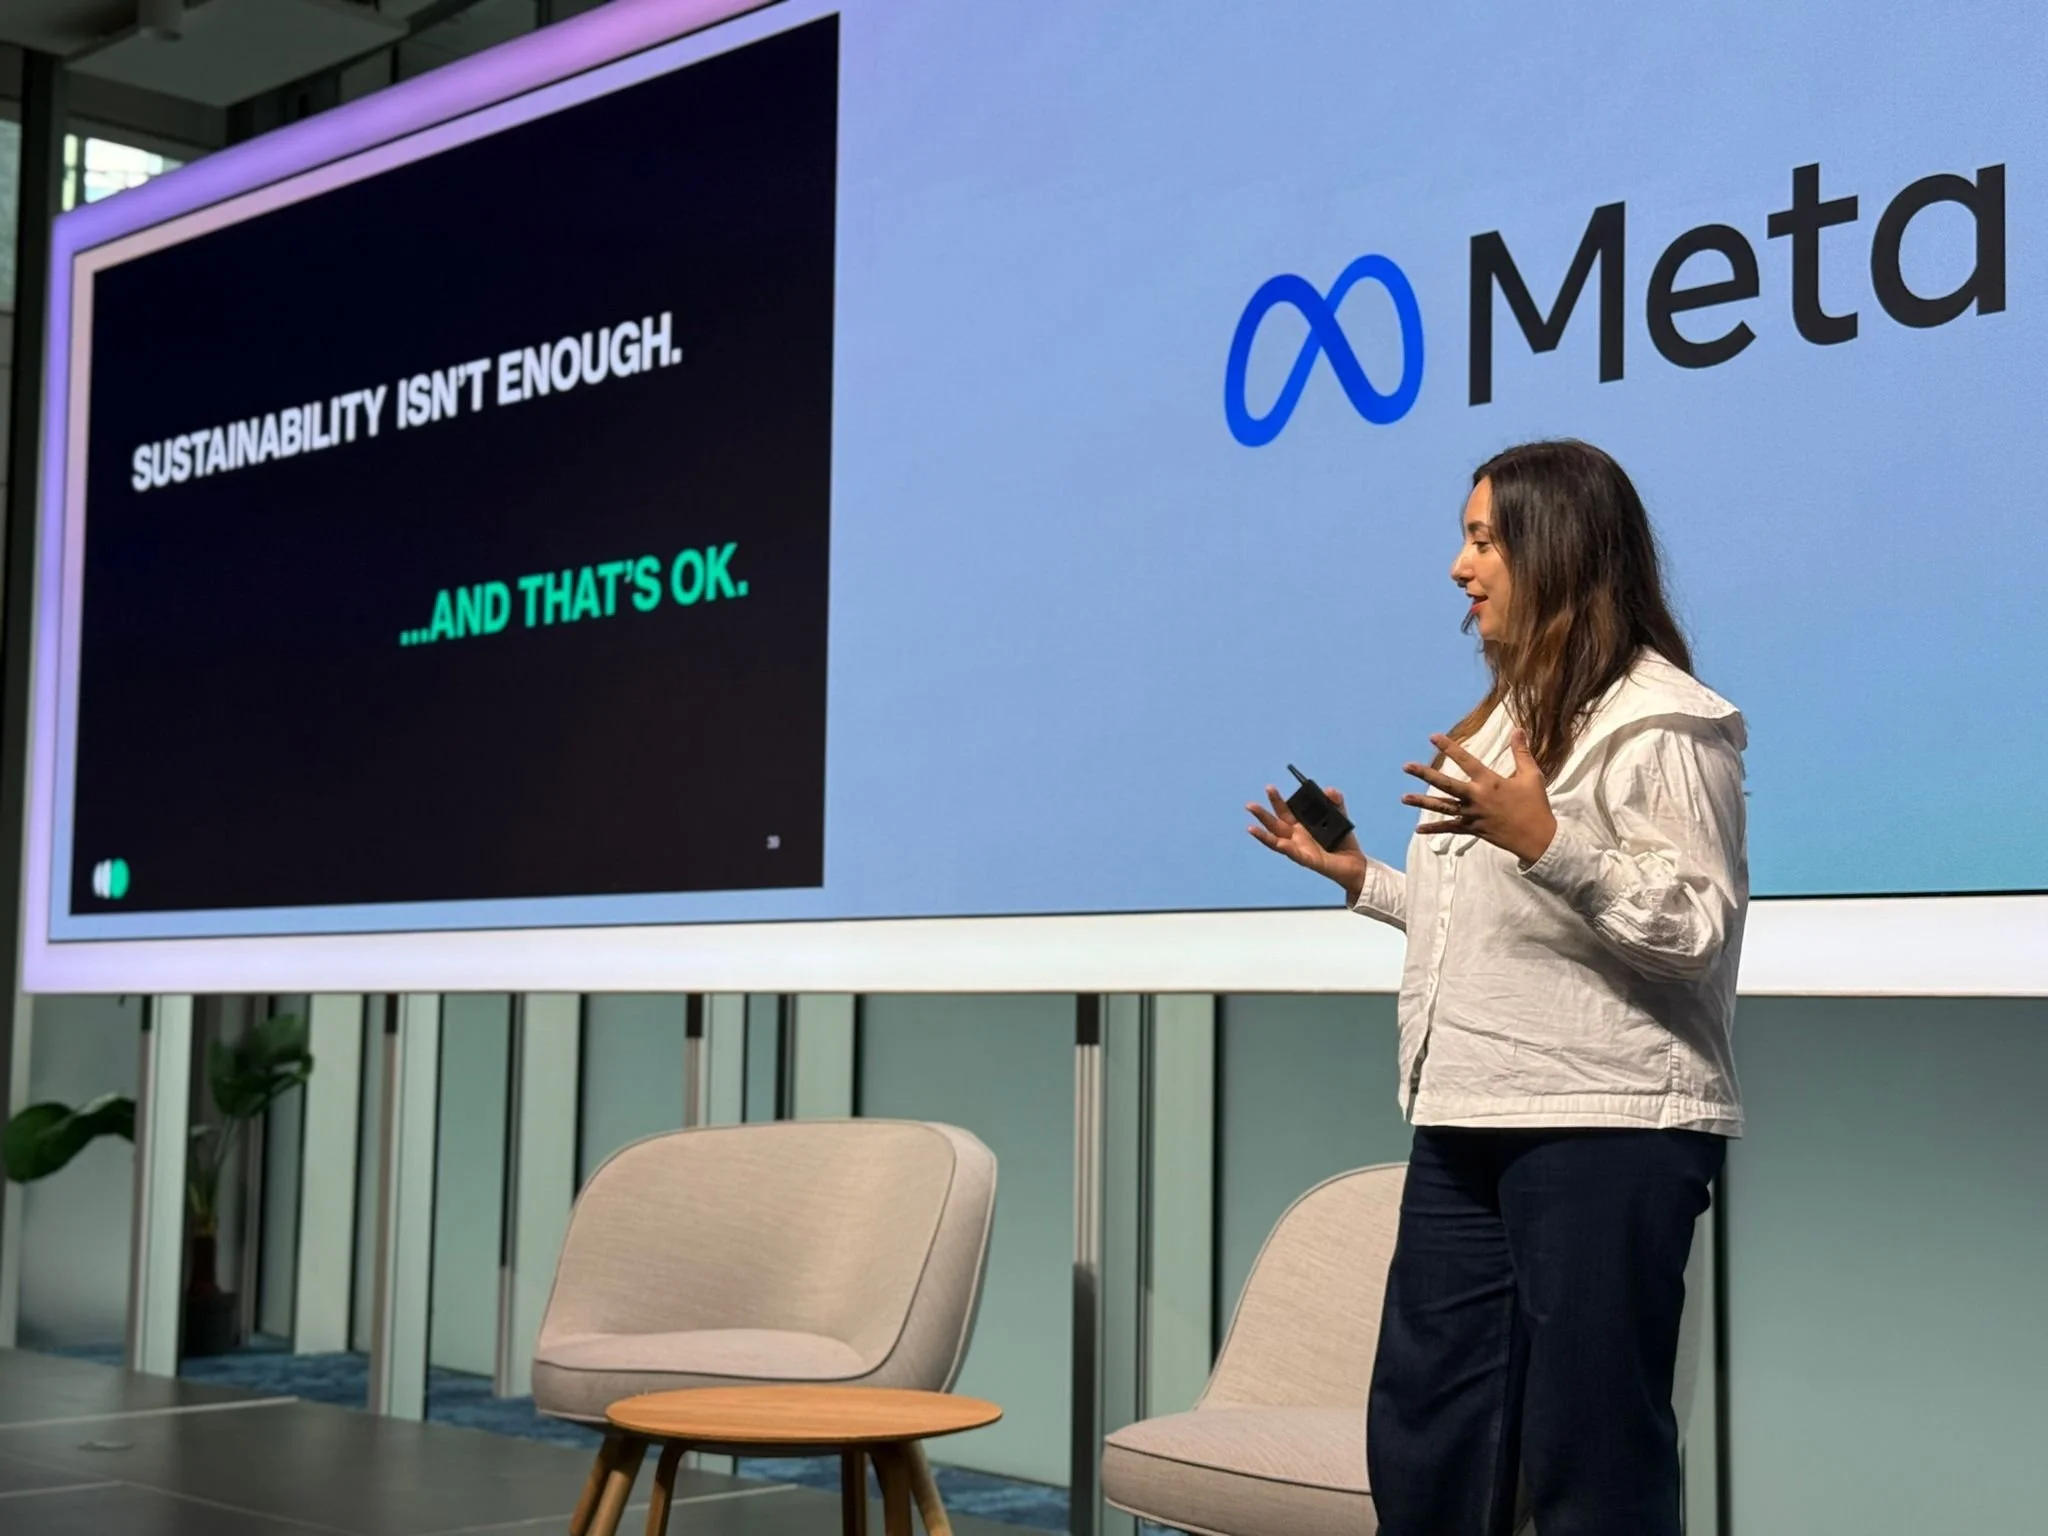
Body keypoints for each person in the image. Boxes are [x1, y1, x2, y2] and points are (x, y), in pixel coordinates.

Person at [1245, 439, 1746, 1536]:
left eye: (1481, 541)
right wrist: (1361, 879)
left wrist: (1550, 841)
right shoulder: (1501, 719)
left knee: (1588, 1454)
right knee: (1425, 1437)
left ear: (1553, 551)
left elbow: (1697, 930)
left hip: (1604, 1123)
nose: (1457, 569)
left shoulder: (1665, 720)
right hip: (1466, 1108)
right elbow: (1490, 929)